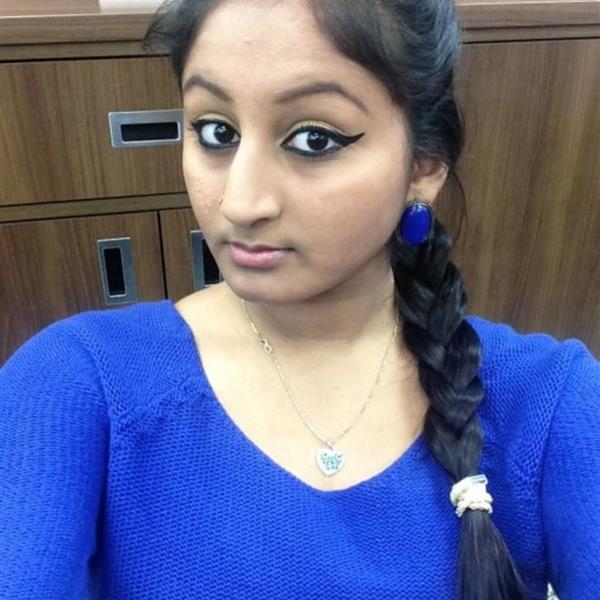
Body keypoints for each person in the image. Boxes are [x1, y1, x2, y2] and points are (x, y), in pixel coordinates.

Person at [1, 0, 598, 598]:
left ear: (424, 165)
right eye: (216, 132)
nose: (240, 202)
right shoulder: (75, 386)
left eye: (314, 139)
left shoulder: (551, 402)